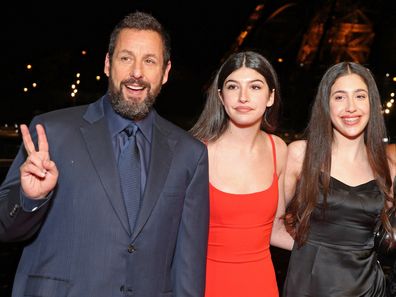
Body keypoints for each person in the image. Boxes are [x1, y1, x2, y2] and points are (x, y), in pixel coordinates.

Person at [0, 11, 209, 297]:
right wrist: (31, 199)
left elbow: (189, 266)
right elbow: (5, 227)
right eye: (126, 58)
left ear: (165, 71)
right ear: (108, 64)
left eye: (149, 61)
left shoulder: (190, 154)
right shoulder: (51, 133)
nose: (137, 72)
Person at [282, 61, 396, 297]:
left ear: (372, 103)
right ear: (326, 104)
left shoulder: (387, 168)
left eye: (360, 96)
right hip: (310, 286)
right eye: (340, 97)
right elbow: (272, 226)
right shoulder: (301, 154)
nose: (351, 107)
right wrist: (317, 253)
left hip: (369, 289)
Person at [190, 50, 294, 297]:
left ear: (270, 97)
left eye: (255, 87)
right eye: (233, 87)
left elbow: (275, 231)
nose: (243, 97)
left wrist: (339, 246)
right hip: (205, 284)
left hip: (261, 285)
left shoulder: (278, 149)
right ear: (221, 97)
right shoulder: (195, 153)